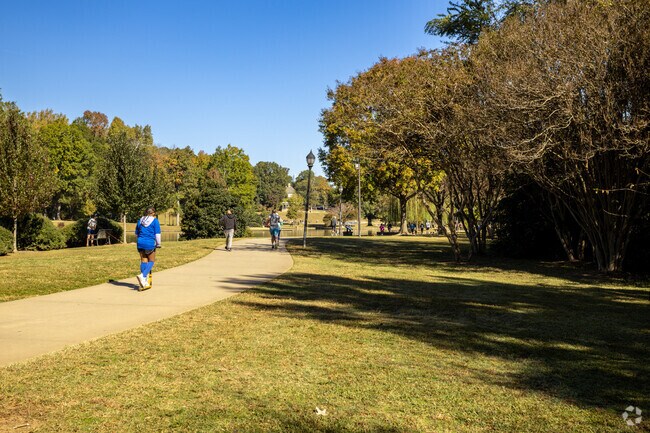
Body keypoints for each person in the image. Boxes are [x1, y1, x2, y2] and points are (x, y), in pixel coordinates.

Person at [135, 207, 161, 291]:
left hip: (140, 242)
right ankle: (143, 276)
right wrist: (158, 244)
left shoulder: (140, 220)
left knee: (143, 260)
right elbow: (157, 234)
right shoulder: (155, 221)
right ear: (153, 213)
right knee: (151, 261)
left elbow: (136, 233)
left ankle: (144, 282)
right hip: (150, 243)